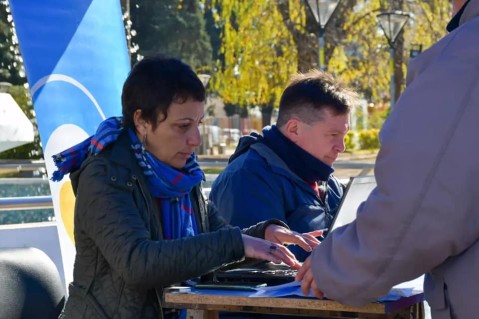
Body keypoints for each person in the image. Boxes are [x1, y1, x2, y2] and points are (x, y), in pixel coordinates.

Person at [52, 55, 321, 319]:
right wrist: (238, 243)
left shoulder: (184, 174)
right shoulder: (103, 174)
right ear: (142, 121)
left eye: (198, 124)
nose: (196, 139)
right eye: (183, 126)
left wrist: (262, 237)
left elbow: (215, 241)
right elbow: (138, 263)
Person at [296, 1, 479, 318]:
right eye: (332, 136)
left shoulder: (469, 53)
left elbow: (418, 207)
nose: (340, 147)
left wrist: (335, 266)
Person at [209, 70, 357, 261]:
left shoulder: (324, 178)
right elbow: (250, 274)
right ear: (294, 129)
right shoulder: (246, 178)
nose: (341, 147)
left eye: (344, 136)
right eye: (333, 135)